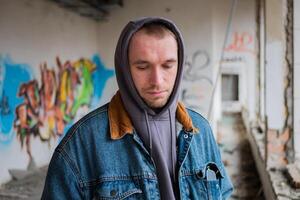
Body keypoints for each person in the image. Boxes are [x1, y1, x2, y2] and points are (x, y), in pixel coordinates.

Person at [42, 17, 233, 200]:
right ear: (124, 68)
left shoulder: (201, 130)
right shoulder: (83, 141)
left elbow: (222, 193)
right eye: (142, 67)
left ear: (180, 66)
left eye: (167, 65)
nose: (157, 81)